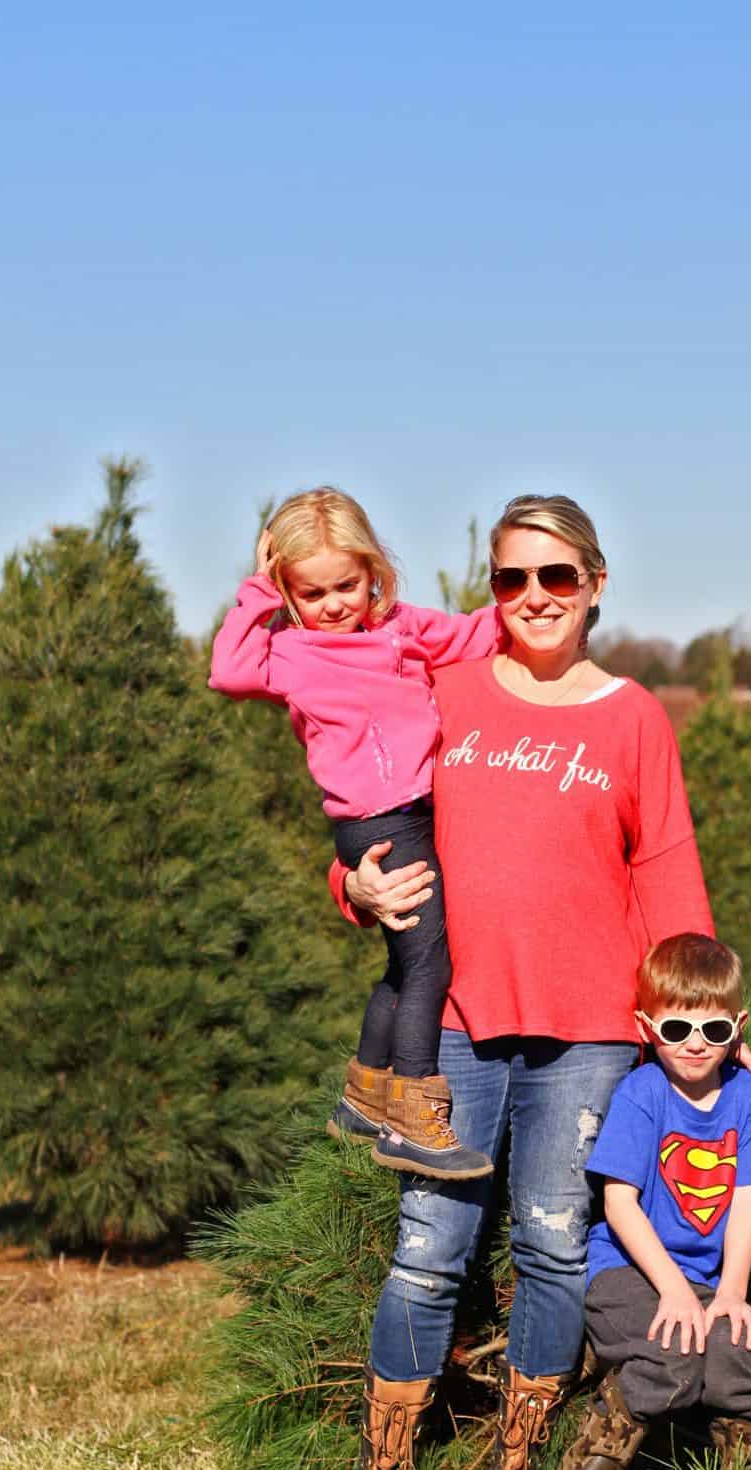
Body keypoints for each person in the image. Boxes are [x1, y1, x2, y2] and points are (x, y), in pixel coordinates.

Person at [325, 493, 726, 1470]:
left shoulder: (633, 715)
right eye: (513, 579)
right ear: (492, 590)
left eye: (557, 578)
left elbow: (665, 866)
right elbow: (374, 818)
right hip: (455, 1019)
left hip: (590, 1030)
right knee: (430, 1243)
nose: (534, 598)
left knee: (553, 1240)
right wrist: (351, 888)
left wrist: (700, 1013)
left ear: (595, 584)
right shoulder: (445, 693)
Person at [209, 486, 501, 1181]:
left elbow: (475, 634)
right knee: (432, 965)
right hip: (376, 826)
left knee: (404, 966)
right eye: (312, 592)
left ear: (374, 571)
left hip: (411, 816)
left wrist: (535, 601)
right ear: (287, 592)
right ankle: (414, 1117)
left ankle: (363, 1099)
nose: (334, 603)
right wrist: (256, 590)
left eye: (347, 583)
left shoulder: (400, 627)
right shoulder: (288, 650)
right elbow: (226, 670)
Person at [539, 932, 751, 1470]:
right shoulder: (642, 1092)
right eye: (677, 1029)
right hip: (628, 1271)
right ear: (648, 1028)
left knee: (737, 1348)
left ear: (738, 1028)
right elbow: (619, 1203)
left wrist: (731, 1292)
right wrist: (674, 1290)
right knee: (673, 1349)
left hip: (708, 1278)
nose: (696, 1045)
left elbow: (749, 1195)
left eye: (715, 1030)